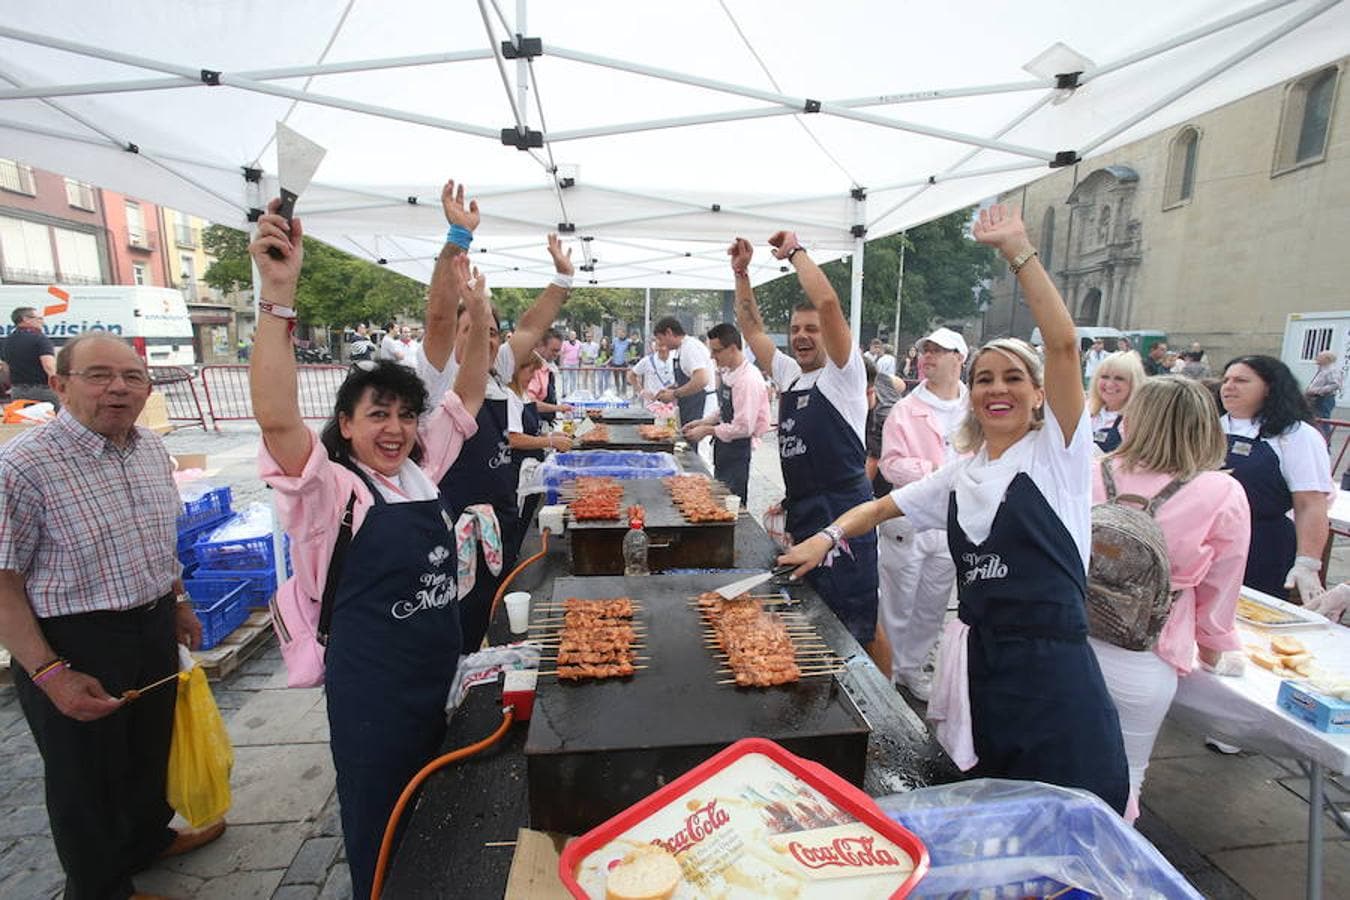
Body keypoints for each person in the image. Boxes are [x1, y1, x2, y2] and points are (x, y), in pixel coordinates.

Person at [776, 205, 1129, 814]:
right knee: (1004, 803)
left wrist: (1018, 250)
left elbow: (1065, 344)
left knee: (1076, 807)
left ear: (1039, 392)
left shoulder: (1057, 458)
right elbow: (880, 506)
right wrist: (827, 537)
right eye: (986, 378)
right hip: (987, 669)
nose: (997, 388)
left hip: (1055, 671)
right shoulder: (962, 474)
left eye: (1014, 378)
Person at [250, 190, 490, 899]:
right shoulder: (329, 491)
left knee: (442, 812)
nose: (395, 427)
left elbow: (469, 396)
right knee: (382, 821)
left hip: (438, 671)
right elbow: (273, 414)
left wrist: (477, 316)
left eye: (405, 414)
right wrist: (278, 298)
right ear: (347, 426)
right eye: (377, 414)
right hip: (373, 692)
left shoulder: (418, 470)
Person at [0, 332, 215, 899]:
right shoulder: (22, 466)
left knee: (149, 746)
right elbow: (2, 582)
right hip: (73, 637)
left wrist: (177, 602)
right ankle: (99, 889)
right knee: (84, 777)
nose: (118, 388)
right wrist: (48, 671)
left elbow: (157, 535)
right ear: (59, 383)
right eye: (98, 375)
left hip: (148, 623)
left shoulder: (146, 448)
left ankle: (147, 839)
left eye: (132, 377)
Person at [1088, 376, 1251, 822]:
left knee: (1053, 760)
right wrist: (1216, 648)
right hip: (1147, 649)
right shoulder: (1222, 492)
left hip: (1070, 636)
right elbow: (1222, 586)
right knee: (1125, 775)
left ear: (1135, 418)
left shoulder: (1092, 470)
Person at [422, 185, 575, 651]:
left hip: (503, 519)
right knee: (461, 631)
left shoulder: (495, 371)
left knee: (502, 620)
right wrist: (457, 238)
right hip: (455, 533)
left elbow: (531, 325)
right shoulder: (441, 379)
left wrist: (563, 279)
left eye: (490, 332)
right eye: (472, 330)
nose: (484, 341)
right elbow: (439, 316)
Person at [730, 233, 890, 669]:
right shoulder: (789, 375)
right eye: (796, 329)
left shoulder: (844, 375)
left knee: (857, 619)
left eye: (811, 329)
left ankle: (884, 706)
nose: (801, 336)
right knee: (814, 610)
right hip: (803, 512)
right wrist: (742, 274)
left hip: (845, 512)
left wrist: (796, 254)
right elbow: (752, 328)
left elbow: (830, 305)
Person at [876, 327, 969, 698]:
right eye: (924, 351)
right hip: (910, 520)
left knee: (932, 604)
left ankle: (913, 668)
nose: (927, 357)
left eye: (938, 351)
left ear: (959, 358)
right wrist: (933, 472)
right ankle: (887, 671)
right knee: (897, 601)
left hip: (953, 523)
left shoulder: (973, 407)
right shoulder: (905, 409)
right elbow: (889, 464)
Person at [1219, 355, 1333, 602]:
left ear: (1269, 388)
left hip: (1262, 545)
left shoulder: (1296, 435)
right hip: (1212, 541)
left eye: (1241, 380)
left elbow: (1310, 503)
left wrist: (1308, 562)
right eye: (1226, 379)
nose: (1229, 386)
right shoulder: (1212, 426)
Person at [681, 323, 770, 504]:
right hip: (724, 448)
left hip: (737, 451)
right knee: (720, 498)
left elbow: (743, 427)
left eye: (716, 351)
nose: (712, 357)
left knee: (731, 503)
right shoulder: (729, 372)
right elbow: (725, 409)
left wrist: (707, 431)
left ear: (732, 348)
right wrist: (702, 422)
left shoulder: (747, 380)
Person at [508, 348, 574, 556]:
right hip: (517, 470)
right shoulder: (509, 397)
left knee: (525, 517)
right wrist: (550, 441)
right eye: (530, 372)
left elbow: (533, 407)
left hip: (531, 468)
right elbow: (513, 438)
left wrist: (553, 433)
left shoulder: (521, 393)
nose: (532, 378)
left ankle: (514, 554)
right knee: (516, 522)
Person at [653, 317, 718, 429]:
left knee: (693, 444)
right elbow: (688, 378)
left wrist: (674, 394)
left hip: (701, 406)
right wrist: (672, 388)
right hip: (689, 406)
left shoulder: (690, 347)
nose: (660, 343)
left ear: (669, 332)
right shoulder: (681, 349)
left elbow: (701, 379)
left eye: (660, 338)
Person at [1087, 350, 1146, 454]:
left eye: (1119, 379)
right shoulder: (1086, 411)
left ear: (1134, 383)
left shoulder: (1138, 421)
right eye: (1105, 377)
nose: (1109, 384)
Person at [4, 306, 59, 407]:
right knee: (56, 420)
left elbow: (6, 368)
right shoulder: (40, 339)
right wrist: (59, 386)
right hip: (43, 392)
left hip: (18, 392)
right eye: (39, 318)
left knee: (23, 421)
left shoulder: (7, 341)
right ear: (25, 319)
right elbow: (49, 366)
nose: (43, 322)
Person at [529, 328, 572, 424]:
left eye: (558, 351)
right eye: (554, 350)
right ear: (541, 346)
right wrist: (558, 408)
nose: (556, 354)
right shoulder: (532, 369)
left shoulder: (547, 367)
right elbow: (529, 402)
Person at [1304, 349, 1341, 437]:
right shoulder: (1323, 369)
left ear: (1326, 359)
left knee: (1323, 420)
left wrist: (1318, 391)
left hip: (1324, 398)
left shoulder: (1331, 370)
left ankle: (1325, 440)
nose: (1316, 359)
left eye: (1319, 357)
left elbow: (1335, 384)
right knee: (1316, 419)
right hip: (1316, 398)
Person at [559, 330, 581, 395]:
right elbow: (561, 354)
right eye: (571, 335)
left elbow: (581, 351)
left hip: (575, 363)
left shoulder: (579, 343)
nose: (572, 336)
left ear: (575, 336)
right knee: (565, 378)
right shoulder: (565, 343)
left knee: (574, 379)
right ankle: (564, 393)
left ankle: (573, 392)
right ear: (569, 336)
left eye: (573, 335)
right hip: (566, 363)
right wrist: (561, 364)